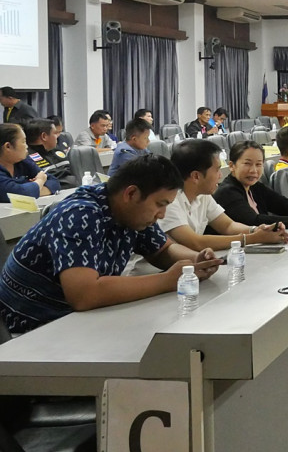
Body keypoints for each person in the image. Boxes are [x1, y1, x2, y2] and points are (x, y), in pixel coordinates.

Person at [0, 155, 222, 333]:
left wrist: (196, 260)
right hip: (29, 329)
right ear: (131, 193)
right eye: (159, 204)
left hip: (72, 321)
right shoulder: (80, 214)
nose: (162, 214)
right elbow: (84, 295)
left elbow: (163, 251)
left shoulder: (131, 213)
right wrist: (167, 280)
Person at [162, 140, 288, 251]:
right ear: (196, 176)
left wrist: (257, 230)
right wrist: (253, 238)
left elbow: (228, 226)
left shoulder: (203, 195)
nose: (220, 175)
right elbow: (195, 242)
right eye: (217, 170)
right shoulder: (169, 201)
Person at [213, 141, 288, 229]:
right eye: (247, 164)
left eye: (258, 164)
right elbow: (254, 221)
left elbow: (284, 204)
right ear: (231, 166)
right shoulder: (227, 191)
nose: (253, 170)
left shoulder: (254, 186)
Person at [0, 123, 60, 202]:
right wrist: (40, 181)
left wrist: (32, 190)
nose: (27, 146)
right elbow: (16, 194)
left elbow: (54, 182)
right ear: (8, 146)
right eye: (23, 142)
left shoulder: (23, 161)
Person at [24, 118, 74, 188]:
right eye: (55, 133)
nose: (58, 137)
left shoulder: (57, 149)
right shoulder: (26, 158)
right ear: (44, 136)